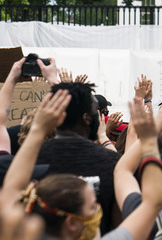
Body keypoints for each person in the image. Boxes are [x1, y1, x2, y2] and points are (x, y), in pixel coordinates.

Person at [34, 81, 122, 233]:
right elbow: (119, 225)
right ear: (86, 118)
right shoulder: (112, 162)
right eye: (97, 111)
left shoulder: (30, 158)